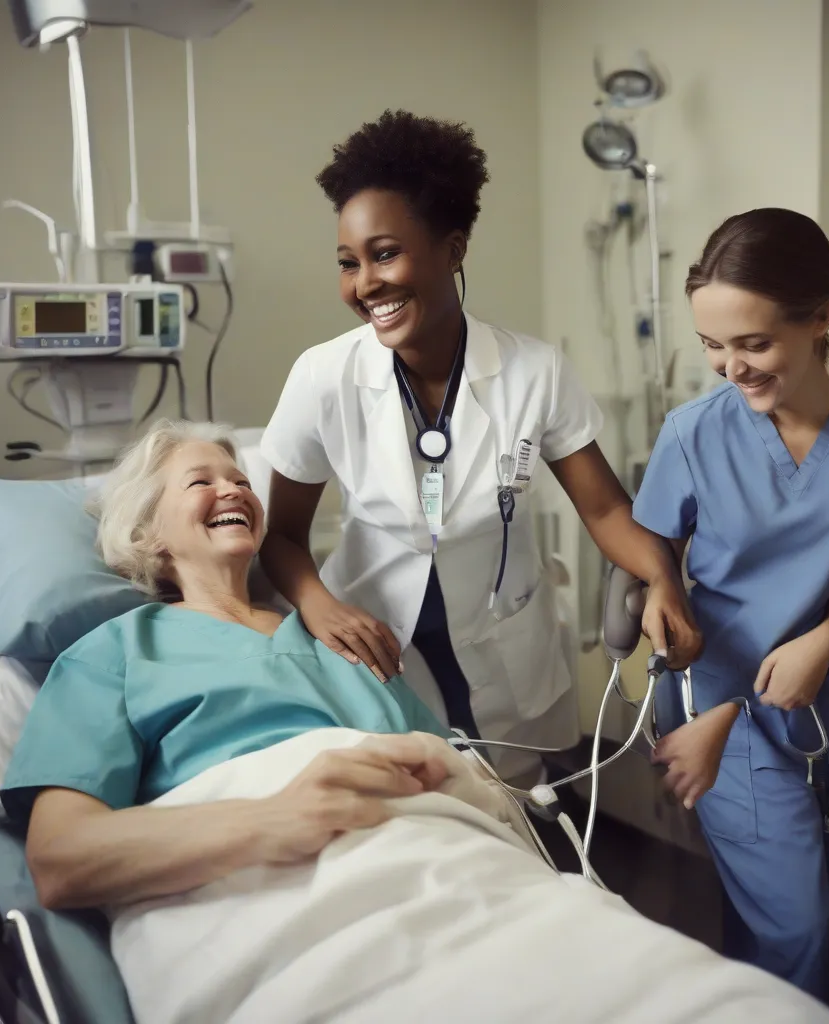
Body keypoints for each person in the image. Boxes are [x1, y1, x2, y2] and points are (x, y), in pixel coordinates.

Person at [258, 109, 700, 782]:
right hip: (374, 645)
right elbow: (280, 536)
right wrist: (320, 608)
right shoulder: (323, 376)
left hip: (502, 642)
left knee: (518, 808)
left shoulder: (534, 372)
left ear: (454, 249)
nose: (365, 283)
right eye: (349, 263)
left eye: (385, 253)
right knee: (408, 817)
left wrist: (664, 577)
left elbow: (606, 512)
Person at [631, 208, 829, 1000]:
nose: (731, 368)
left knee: (786, 900)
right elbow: (651, 545)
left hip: (812, 698)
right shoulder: (693, 433)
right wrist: (661, 586)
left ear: (820, 316)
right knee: (800, 923)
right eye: (713, 347)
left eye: (753, 343)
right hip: (714, 694)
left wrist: (824, 640)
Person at [0, 419, 455, 909]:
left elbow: (454, 775)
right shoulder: (113, 655)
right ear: (150, 533)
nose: (234, 492)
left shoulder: (340, 638)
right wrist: (278, 817)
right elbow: (61, 858)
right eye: (202, 482)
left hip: (437, 866)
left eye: (242, 483)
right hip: (268, 894)